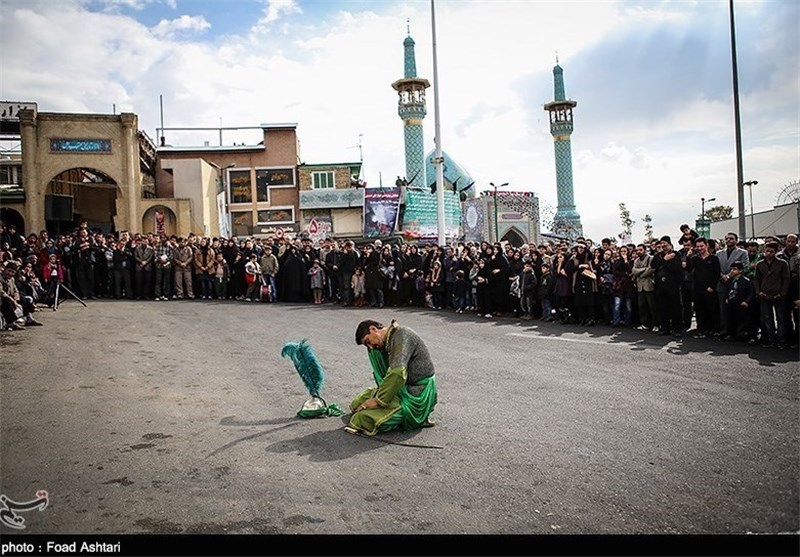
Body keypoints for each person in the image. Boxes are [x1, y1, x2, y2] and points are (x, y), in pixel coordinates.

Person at [348, 319, 437, 436]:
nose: (371, 347)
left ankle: (414, 415)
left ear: (373, 329)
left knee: (361, 418)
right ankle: (387, 402)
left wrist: (377, 401)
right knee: (356, 404)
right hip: (401, 386)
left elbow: (397, 373)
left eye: (368, 341)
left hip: (416, 392)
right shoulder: (387, 341)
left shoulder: (402, 335)